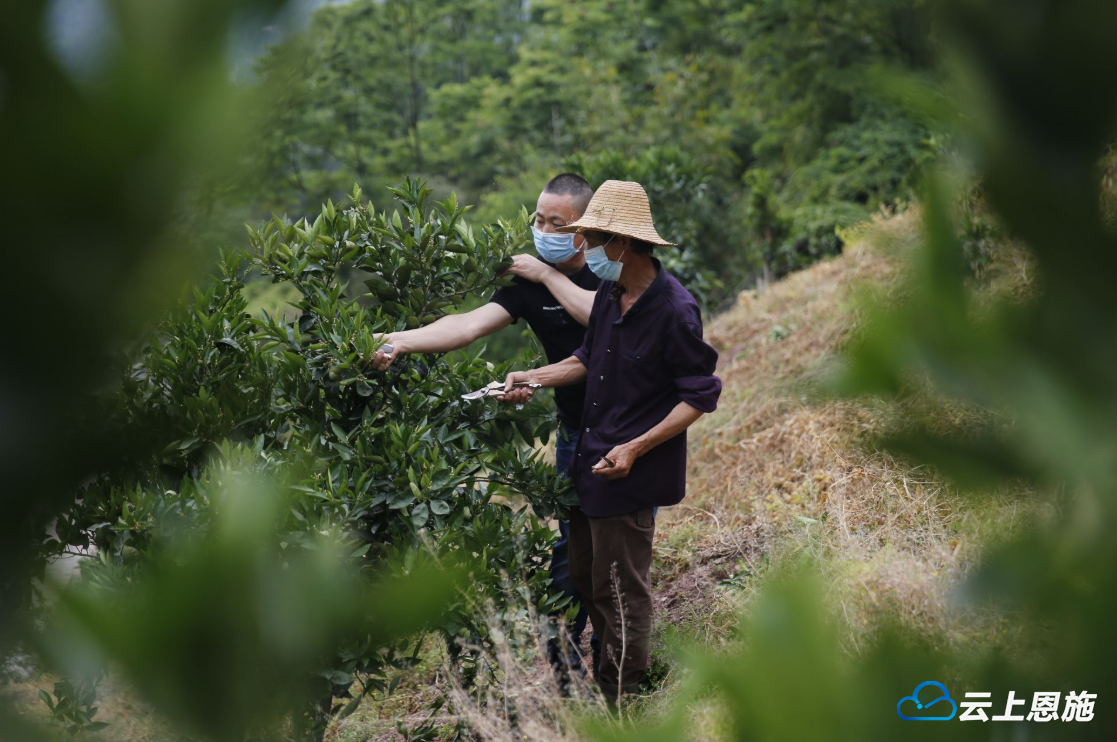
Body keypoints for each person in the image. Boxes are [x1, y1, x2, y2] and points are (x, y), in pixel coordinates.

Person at [365, 173, 599, 679]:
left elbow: (601, 322)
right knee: (571, 549)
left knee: (615, 547)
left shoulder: (612, 269)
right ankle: (565, 670)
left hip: (628, 427)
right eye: (538, 219)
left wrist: (545, 275)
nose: (542, 231)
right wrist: (396, 340)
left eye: (555, 224)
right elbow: (466, 325)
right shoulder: (527, 286)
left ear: (584, 231)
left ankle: (616, 666)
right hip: (575, 428)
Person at [502, 180, 721, 699]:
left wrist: (635, 447)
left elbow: (699, 395)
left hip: (629, 473)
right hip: (589, 465)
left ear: (622, 243)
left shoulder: (674, 310)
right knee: (586, 578)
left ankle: (621, 699)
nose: (587, 248)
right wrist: (534, 377)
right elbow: (587, 358)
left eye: (594, 239)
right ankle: (610, 679)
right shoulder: (610, 293)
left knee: (621, 592)